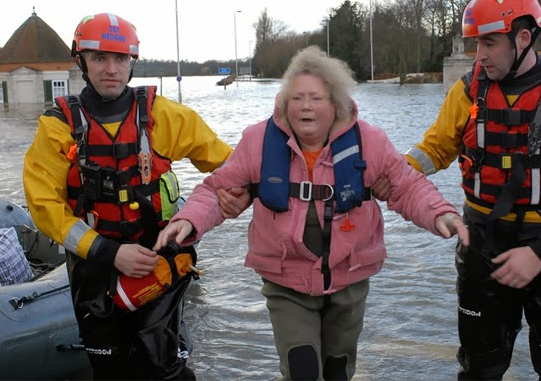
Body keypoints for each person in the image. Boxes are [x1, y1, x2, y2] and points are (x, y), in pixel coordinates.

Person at [154, 45, 470, 380]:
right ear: (284, 104)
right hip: (285, 279)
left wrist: (442, 215)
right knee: (302, 369)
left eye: (316, 98)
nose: (305, 106)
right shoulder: (258, 141)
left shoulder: (370, 141)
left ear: (335, 104)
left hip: (349, 275)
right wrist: (188, 219)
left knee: (337, 370)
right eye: (296, 98)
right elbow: (216, 191)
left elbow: (408, 187)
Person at [375, 0, 541, 380]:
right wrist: (390, 176)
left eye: (488, 43)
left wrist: (538, 253)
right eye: (475, 44)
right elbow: (434, 149)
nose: (479, 55)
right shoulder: (469, 89)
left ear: (523, 38)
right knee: (480, 367)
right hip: (481, 245)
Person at [23, 12, 248, 380]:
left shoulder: (163, 115)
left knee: (163, 367)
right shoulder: (57, 126)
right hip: (94, 267)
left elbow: (232, 165)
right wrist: (110, 253)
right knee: (109, 367)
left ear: (131, 63)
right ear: (81, 61)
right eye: (99, 58)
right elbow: (44, 205)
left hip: (156, 261)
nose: (111, 68)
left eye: (121, 59)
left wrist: (237, 196)